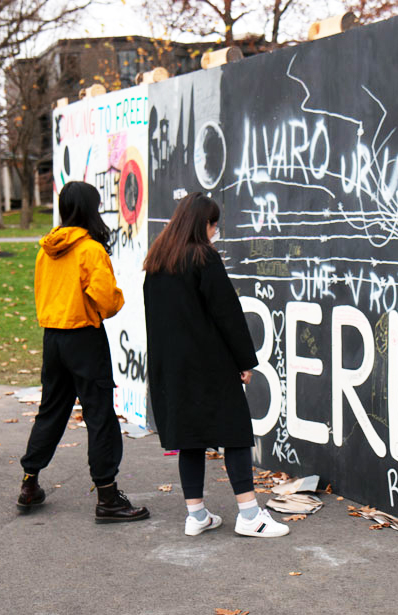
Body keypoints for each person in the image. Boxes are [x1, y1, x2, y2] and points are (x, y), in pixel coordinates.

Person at [143, 192, 288, 538]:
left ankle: (196, 516)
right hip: (208, 364)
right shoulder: (202, 257)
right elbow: (228, 313)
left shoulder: (157, 261)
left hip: (172, 367)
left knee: (189, 439)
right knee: (236, 433)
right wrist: (244, 360)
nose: (214, 231)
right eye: (213, 225)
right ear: (203, 224)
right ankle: (250, 515)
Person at [17, 181, 149, 524]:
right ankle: (107, 497)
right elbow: (107, 301)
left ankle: (29, 483)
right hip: (84, 339)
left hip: (53, 338)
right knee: (100, 415)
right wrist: (117, 299)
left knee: (51, 410)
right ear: (90, 209)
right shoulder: (90, 250)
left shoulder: (46, 250)